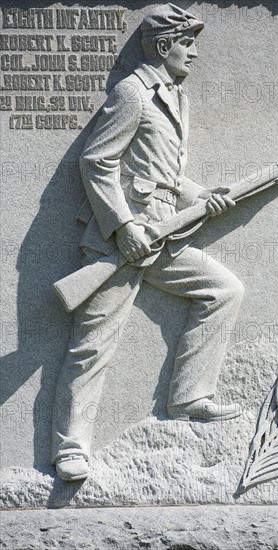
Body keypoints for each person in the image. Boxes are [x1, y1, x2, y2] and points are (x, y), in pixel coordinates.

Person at [52, 3, 244, 482]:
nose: (195, 54)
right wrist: (122, 227)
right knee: (92, 344)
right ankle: (71, 449)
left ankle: (189, 397)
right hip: (121, 240)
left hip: (164, 231)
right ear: (164, 46)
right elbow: (96, 162)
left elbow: (165, 173)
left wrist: (203, 196)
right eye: (188, 43)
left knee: (224, 291)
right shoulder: (132, 93)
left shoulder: (175, 95)